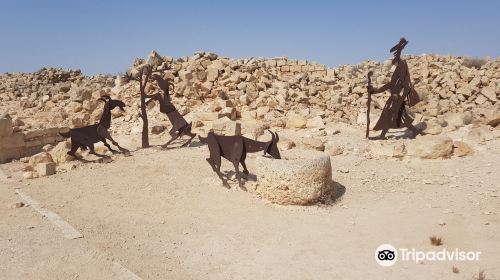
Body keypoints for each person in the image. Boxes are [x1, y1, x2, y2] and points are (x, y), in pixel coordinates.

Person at [368, 38, 421, 139]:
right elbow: (385, 87)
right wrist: (373, 90)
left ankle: (415, 132)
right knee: (391, 117)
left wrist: (400, 98)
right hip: (393, 100)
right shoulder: (394, 81)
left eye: (396, 65)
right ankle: (414, 132)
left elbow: (406, 88)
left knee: (396, 117)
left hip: (397, 101)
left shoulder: (402, 80)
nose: (395, 66)